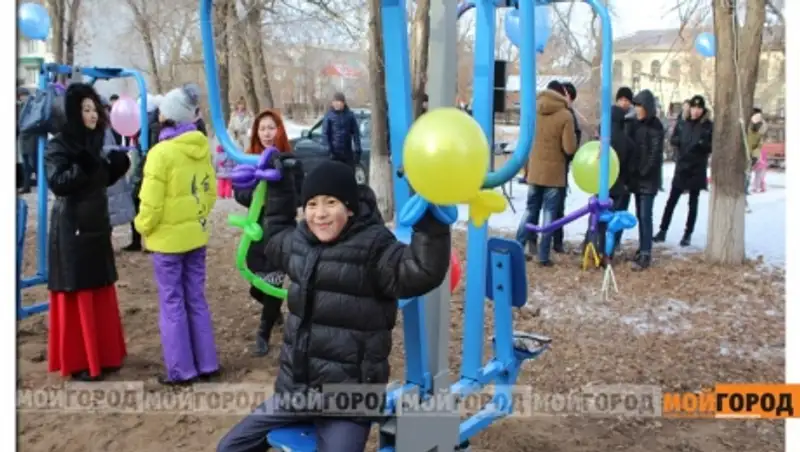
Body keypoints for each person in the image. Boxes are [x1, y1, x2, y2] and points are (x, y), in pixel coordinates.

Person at [216, 160, 451, 452]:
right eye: (312, 204)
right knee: (230, 447)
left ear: (350, 207)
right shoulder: (300, 242)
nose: (320, 214)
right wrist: (280, 184)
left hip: (348, 399)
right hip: (297, 392)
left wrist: (430, 220)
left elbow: (421, 270)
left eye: (331, 203)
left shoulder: (374, 247)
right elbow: (275, 237)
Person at [44, 83, 131, 381]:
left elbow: (97, 180)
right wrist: (82, 165)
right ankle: (82, 361)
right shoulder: (58, 145)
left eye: (95, 109)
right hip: (72, 230)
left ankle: (104, 355)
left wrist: (115, 169)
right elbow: (58, 183)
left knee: (99, 290)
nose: (93, 115)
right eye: (86, 109)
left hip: (96, 226)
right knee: (79, 292)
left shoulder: (94, 143)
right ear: (73, 112)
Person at [134, 84, 220, 385]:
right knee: (195, 298)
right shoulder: (201, 150)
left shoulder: (161, 154)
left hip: (168, 243)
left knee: (172, 301)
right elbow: (210, 196)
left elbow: (151, 202)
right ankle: (207, 362)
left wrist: (142, 226)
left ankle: (181, 368)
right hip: (196, 237)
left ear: (168, 116)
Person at [234, 109, 299, 357]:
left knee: (273, 280)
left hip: (281, 230)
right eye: (262, 128)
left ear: (280, 130)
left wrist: (279, 185)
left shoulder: (289, 160)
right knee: (256, 285)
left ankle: (263, 332)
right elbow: (238, 192)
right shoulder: (249, 160)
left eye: (271, 127)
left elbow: (299, 194)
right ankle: (274, 311)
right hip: (256, 231)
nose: (267, 133)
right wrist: (255, 195)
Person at [515, 80, 577, 266]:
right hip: (554, 174)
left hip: (535, 171)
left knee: (530, 210)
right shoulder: (565, 115)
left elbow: (525, 141)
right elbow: (569, 148)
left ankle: (519, 245)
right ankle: (543, 255)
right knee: (549, 214)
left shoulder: (533, 110)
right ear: (561, 93)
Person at [654, 95, 712, 248]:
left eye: (699, 108)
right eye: (694, 107)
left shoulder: (707, 125)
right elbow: (673, 139)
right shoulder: (682, 123)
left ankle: (688, 234)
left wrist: (702, 145)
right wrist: (677, 143)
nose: (696, 111)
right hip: (682, 167)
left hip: (697, 168)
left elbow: (711, 145)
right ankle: (662, 230)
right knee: (671, 201)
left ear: (703, 109)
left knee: (693, 202)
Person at [583, 105, 636, 261]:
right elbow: (631, 168)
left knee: (596, 220)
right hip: (620, 188)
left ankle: (590, 248)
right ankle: (607, 254)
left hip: (602, 186)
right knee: (612, 224)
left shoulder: (601, 142)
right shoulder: (628, 143)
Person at [628, 89, 664, 271]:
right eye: (635, 106)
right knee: (640, 216)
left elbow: (654, 155)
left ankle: (646, 253)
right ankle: (643, 247)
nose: (636, 110)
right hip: (637, 179)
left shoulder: (656, 126)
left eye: (639, 106)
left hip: (648, 180)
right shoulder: (635, 124)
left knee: (645, 216)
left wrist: (643, 171)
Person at [124, 96, 162, 252]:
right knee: (138, 204)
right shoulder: (145, 125)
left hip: (146, 171)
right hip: (142, 169)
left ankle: (144, 240)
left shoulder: (153, 127)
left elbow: (150, 153)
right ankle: (138, 240)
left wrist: (138, 174)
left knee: (143, 204)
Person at [553, 81, 581, 253]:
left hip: (558, 167)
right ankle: (553, 241)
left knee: (554, 207)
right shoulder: (565, 115)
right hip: (557, 167)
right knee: (553, 207)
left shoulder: (569, 115)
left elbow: (574, 140)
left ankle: (555, 240)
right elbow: (571, 146)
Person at [322, 92, 362, 170]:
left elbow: (356, 134)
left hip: (347, 154)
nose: (336, 104)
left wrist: (358, 150)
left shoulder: (350, 115)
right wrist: (328, 150)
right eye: (334, 102)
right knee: (336, 178)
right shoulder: (329, 116)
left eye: (338, 102)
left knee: (349, 176)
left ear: (343, 103)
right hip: (334, 154)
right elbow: (325, 134)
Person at [745, 108, 768, 194]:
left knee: (748, 172)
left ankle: (746, 188)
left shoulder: (760, 131)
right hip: (744, 151)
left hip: (751, 153)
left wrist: (755, 156)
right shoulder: (747, 126)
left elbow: (758, 145)